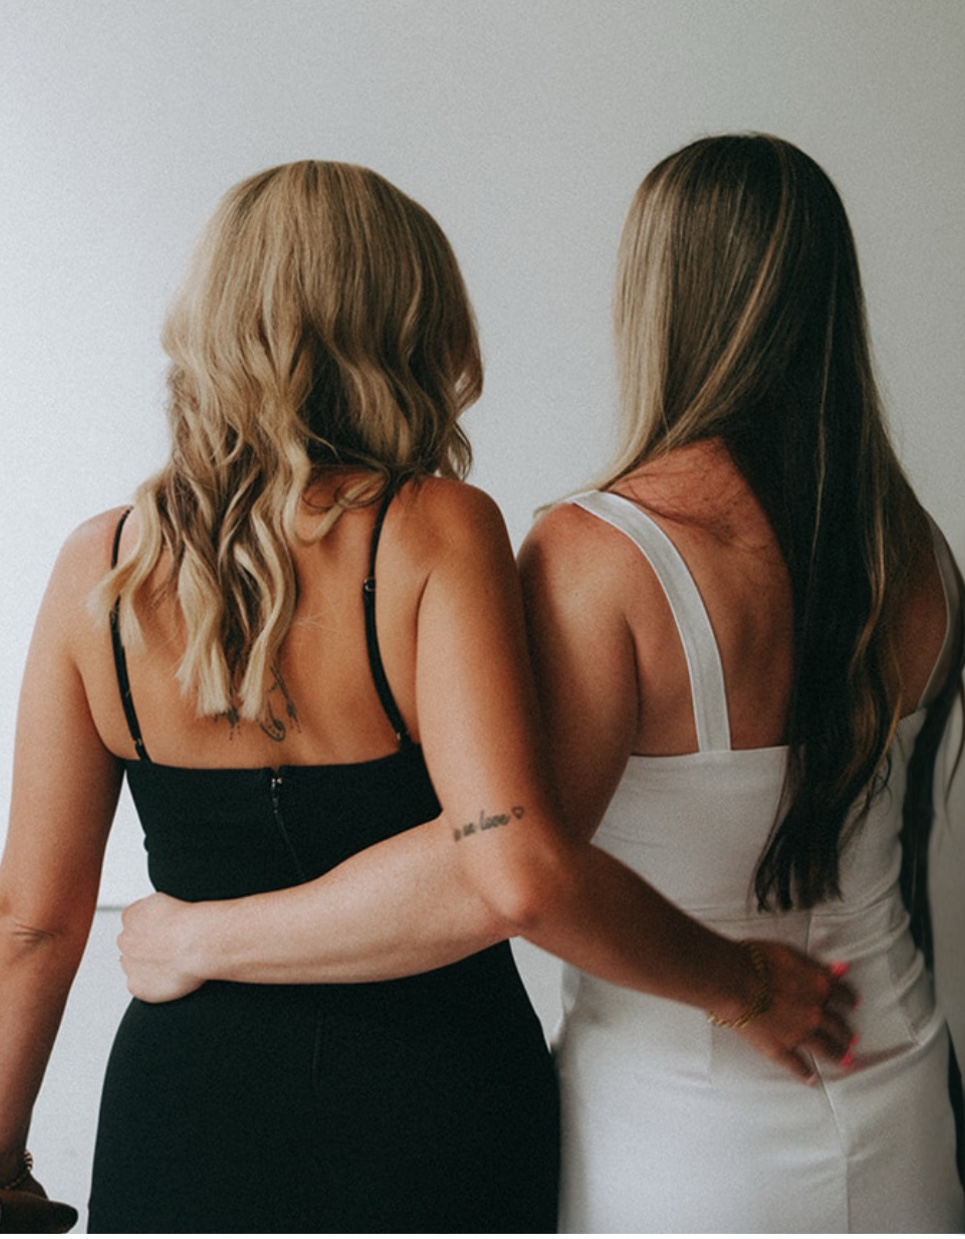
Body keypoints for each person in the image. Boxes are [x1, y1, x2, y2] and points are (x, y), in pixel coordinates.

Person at [118, 139, 964, 1232]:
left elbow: (497, 863)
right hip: (895, 1086)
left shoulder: (598, 555)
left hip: (678, 1127)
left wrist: (198, 937)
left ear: (657, 299)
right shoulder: (917, 553)